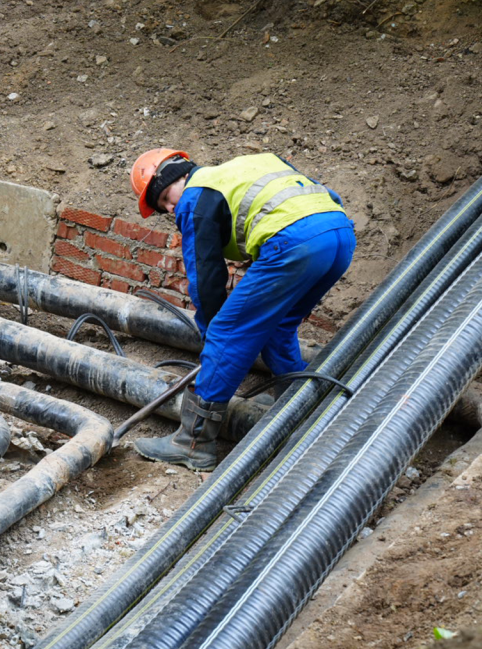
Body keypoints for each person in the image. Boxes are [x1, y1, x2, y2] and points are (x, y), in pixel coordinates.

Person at [129, 149, 356, 471]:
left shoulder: (196, 195)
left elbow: (206, 277)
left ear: (179, 175)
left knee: (226, 330)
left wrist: (214, 336)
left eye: (166, 196)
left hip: (296, 242)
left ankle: (193, 443)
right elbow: (319, 196)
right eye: (164, 207)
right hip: (338, 236)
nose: (170, 207)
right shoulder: (252, 165)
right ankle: (293, 402)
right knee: (279, 326)